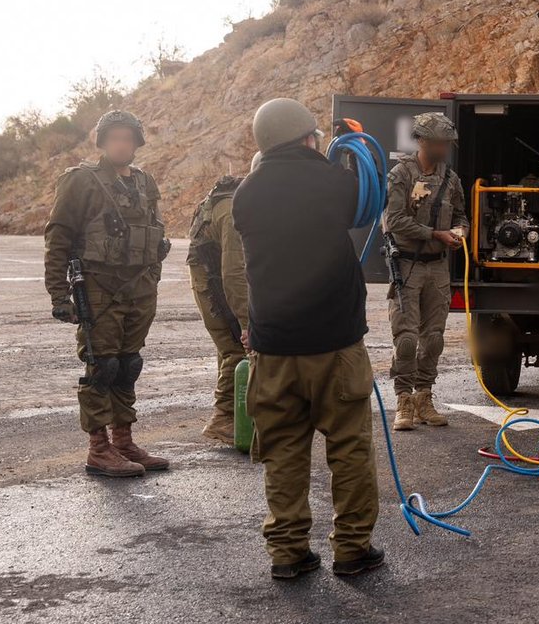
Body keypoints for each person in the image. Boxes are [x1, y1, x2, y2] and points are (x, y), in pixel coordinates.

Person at [232, 98, 383, 580]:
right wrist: (347, 147)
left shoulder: (246, 192)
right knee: (349, 449)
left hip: (273, 350)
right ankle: (352, 550)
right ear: (304, 137)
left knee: (283, 453)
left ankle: (288, 553)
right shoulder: (329, 181)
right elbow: (364, 200)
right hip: (334, 346)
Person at [45, 110, 172, 478]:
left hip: (140, 291)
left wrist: (153, 276)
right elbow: (58, 239)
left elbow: (157, 233)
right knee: (103, 367)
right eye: (115, 137)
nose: (122, 144)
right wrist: (58, 295)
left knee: (128, 365)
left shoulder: (145, 182)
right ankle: (98, 448)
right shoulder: (81, 181)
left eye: (128, 138)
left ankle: (124, 440)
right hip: (99, 290)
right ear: (102, 142)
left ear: (137, 142)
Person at [382, 112, 468, 432]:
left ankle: (424, 397)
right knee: (405, 339)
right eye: (440, 143)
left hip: (438, 268)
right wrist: (435, 234)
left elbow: (462, 216)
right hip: (407, 265)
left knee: (433, 339)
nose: (445, 148)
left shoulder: (451, 179)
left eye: (447, 143)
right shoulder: (401, 174)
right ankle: (403, 399)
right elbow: (394, 221)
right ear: (423, 141)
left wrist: (460, 232)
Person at [186, 171, 248, 444]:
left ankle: (235, 416)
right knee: (236, 345)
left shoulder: (227, 197)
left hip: (210, 277)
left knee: (227, 347)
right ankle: (223, 418)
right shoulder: (235, 210)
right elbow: (234, 272)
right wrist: (248, 322)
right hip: (214, 283)